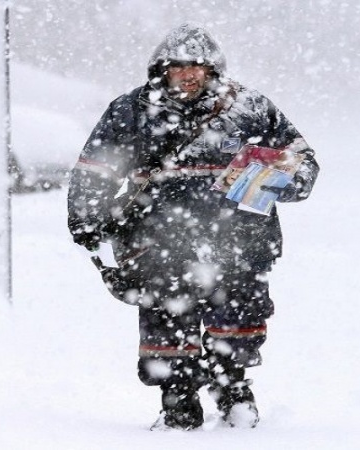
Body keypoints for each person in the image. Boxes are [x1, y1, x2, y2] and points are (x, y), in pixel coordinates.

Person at [67, 23, 319, 430]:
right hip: (156, 243)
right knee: (167, 322)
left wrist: (278, 180)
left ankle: (234, 390)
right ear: (161, 70)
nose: (189, 74)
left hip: (239, 241)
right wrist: (86, 219)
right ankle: (177, 400)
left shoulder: (250, 108)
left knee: (238, 320)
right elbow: (94, 171)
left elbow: (302, 161)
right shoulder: (129, 110)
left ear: (212, 70)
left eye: (198, 66)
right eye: (179, 66)